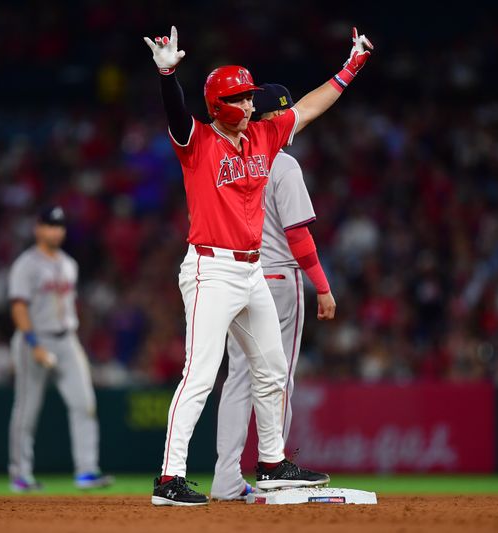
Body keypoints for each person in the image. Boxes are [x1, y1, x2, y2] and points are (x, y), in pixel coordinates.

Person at [143, 26, 372, 505]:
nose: (251, 105)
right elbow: (177, 114)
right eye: (243, 99)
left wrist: (352, 66)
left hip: (251, 273)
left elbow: (308, 106)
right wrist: (168, 74)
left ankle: (271, 462)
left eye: (250, 98)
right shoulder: (199, 143)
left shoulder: (264, 136)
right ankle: (169, 479)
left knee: (270, 370)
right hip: (211, 270)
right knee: (201, 374)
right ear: (222, 105)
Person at [211, 84, 337, 501]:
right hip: (279, 280)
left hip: (237, 276)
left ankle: (226, 478)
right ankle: (274, 467)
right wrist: (322, 286)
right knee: (277, 378)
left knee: (237, 381)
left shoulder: (232, 159)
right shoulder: (283, 165)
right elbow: (297, 235)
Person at [7, 206, 113, 492]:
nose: (56, 230)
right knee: (27, 410)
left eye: (60, 226)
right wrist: (33, 344)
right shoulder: (26, 265)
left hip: (67, 339)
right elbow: (19, 307)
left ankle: (87, 471)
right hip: (35, 338)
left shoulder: (69, 264)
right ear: (38, 228)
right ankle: (20, 475)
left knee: (85, 404)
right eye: (50, 225)